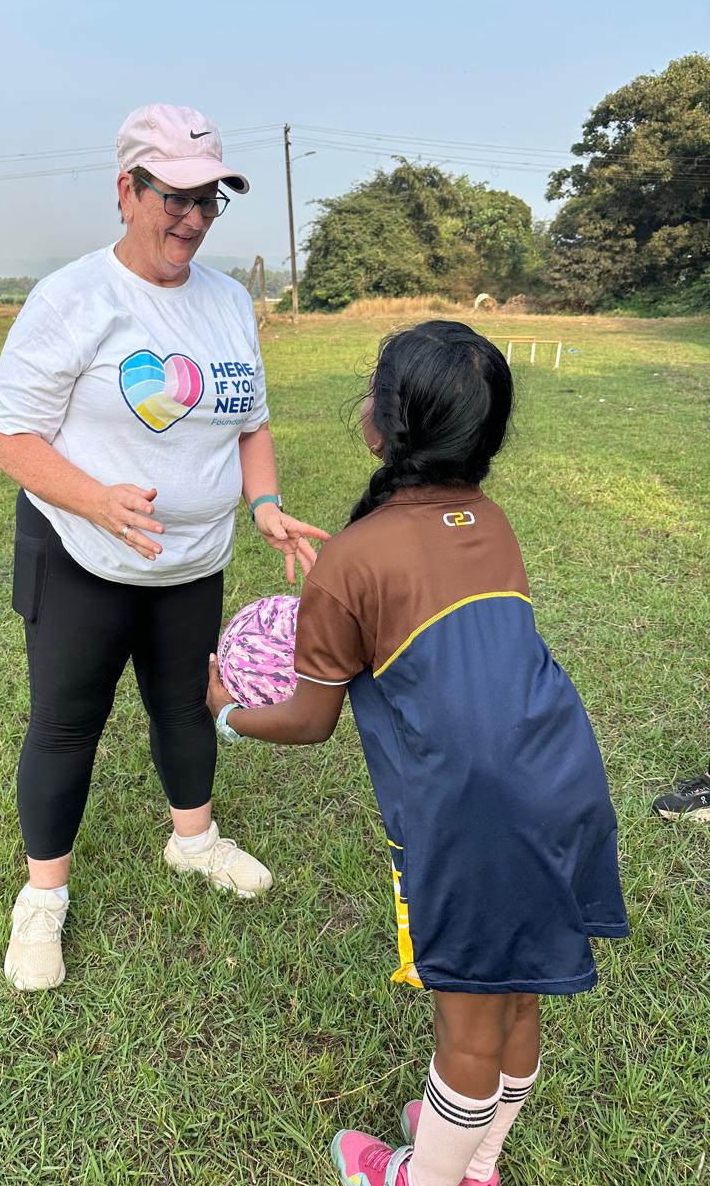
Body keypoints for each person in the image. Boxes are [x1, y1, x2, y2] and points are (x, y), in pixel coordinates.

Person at [207, 322, 629, 1186]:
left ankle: (422, 1177)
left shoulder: (350, 560)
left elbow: (308, 720)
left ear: (383, 425)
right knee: (518, 993)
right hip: (562, 776)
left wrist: (224, 711)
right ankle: (476, 1161)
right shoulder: (491, 520)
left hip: (476, 813)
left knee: (467, 1024)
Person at [0, 103, 328, 992]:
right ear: (127, 192)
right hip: (80, 554)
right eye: (173, 195)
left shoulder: (228, 301)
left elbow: (250, 423)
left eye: (209, 199)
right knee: (68, 721)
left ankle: (195, 840)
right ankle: (44, 899)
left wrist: (265, 505)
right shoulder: (73, 298)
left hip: (192, 560)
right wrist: (95, 500)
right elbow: (10, 437)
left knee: (184, 703)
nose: (192, 217)